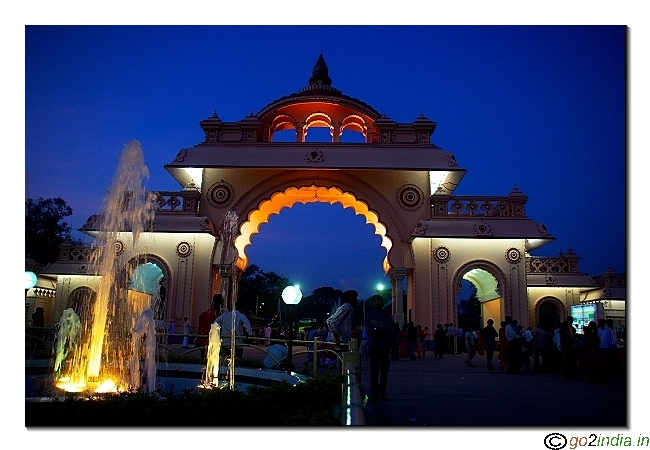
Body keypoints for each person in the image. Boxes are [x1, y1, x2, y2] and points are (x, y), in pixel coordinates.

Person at [365, 294, 394, 402]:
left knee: (384, 371)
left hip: (384, 347)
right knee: (374, 371)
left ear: (382, 303)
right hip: (373, 347)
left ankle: (382, 393)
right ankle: (374, 393)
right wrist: (381, 330)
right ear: (372, 303)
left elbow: (389, 329)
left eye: (379, 301)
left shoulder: (387, 315)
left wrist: (376, 329)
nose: (377, 303)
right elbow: (369, 330)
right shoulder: (369, 315)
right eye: (375, 301)